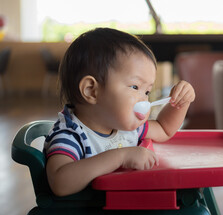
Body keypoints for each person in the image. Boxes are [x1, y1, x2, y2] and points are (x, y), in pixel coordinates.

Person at [44, 28, 195, 197]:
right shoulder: (71, 135)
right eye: (135, 87)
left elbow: (164, 129)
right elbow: (60, 182)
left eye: (147, 92)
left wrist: (181, 103)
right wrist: (120, 156)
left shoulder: (125, 126)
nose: (144, 100)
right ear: (91, 91)